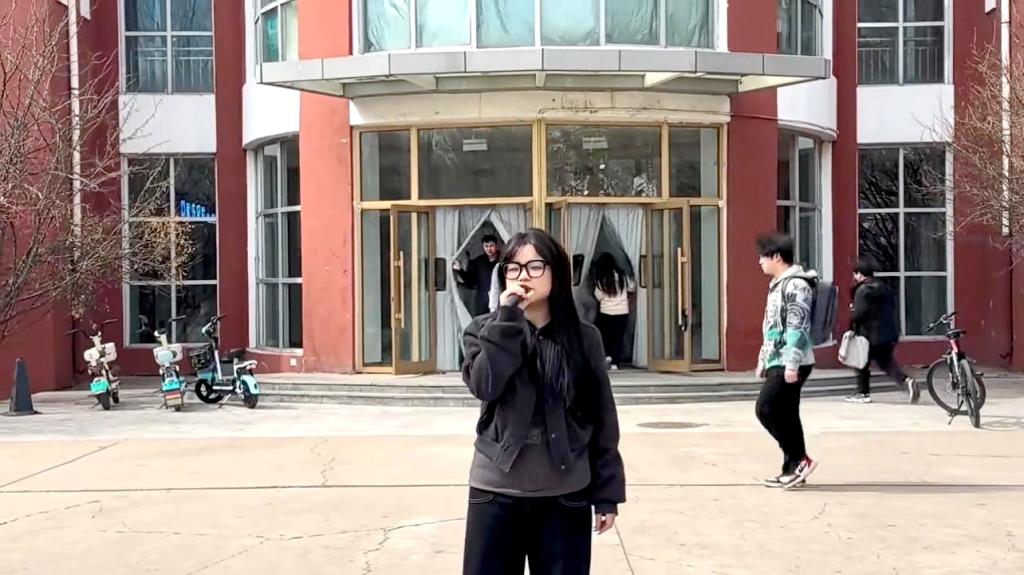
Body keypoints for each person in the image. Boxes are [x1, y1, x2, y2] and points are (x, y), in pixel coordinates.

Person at [461, 229, 626, 575]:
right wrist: (507, 320)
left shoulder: (584, 338)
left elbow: (602, 418)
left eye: (535, 266)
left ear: (556, 272)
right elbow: (485, 385)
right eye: (513, 268)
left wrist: (606, 492)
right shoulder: (482, 331)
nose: (523, 276)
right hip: (495, 492)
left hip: (564, 493)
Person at [754, 232, 818, 489]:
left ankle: (800, 459)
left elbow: (797, 325)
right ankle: (792, 467)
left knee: (766, 409)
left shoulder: (796, 285)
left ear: (777, 257)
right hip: (778, 359)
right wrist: (763, 359)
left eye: (763, 256)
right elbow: (771, 326)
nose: (760, 261)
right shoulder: (778, 284)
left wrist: (792, 363)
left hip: (791, 361)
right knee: (788, 414)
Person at [846, 258, 920, 404]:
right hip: (888, 333)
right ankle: (906, 380)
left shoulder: (863, 290)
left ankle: (862, 393)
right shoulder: (884, 288)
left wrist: (851, 328)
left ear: (860, 274)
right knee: (886, 362)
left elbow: (859, 314)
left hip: (869, 335)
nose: (854, 277)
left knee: (861, 362)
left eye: (855, 274)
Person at [590, 253, 635, 370]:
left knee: (605, 337)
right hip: (622, 311)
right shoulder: (623, 276)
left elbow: (598, 296)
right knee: (618, 338)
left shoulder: (602, 280)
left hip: (606, 312)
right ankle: (615, 362)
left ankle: (607, 357)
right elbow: (631, 288)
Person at [454, 234, 502, 316]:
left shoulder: (502, 261)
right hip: (482, 303)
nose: (489, 249)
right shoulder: (478, 262)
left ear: (496, 246)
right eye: (486, 246)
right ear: (483, 246)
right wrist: (459, 270)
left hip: (499, 301)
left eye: (491, 246)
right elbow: (470, 282)